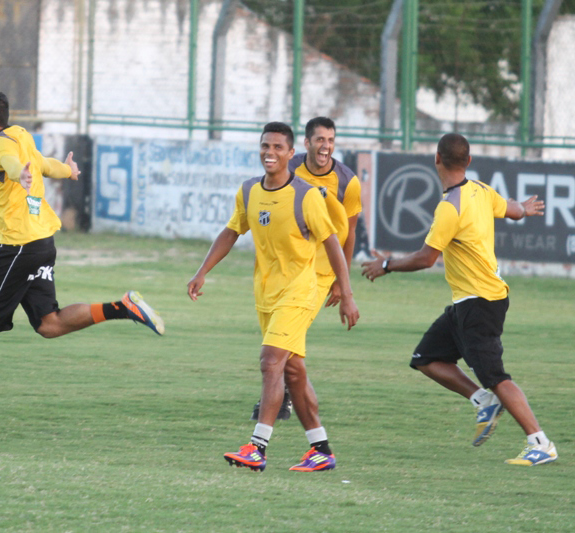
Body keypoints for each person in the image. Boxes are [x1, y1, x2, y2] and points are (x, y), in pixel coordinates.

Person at [0, 89, 164, 423]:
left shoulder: (1, 146)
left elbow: (11, 162)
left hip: (18, 247)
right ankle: (122, 307)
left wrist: (19, 172)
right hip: (41, 242)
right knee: (49, 324)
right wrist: (67, 171)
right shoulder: (20, 135)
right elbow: (43, 164)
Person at [361, 133, 556, 466]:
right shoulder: (480, 190)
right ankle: (483, 401)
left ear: (436, 158)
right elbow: (512, 210)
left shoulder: (449, 207)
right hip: (470, 303)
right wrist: (524, 207)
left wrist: (386, 265)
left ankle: (541, 443)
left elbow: (426, 258)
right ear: (468, 162)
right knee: (425, 358)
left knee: (496, 377)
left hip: (480, 303)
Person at [187, 121, 359, 472]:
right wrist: (202, 271)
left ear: (291, 154)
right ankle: (321, 450)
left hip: (300, 291)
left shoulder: (306, 195)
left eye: (278, 147)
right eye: (266, 146)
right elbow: (232, 229)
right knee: (293, 370)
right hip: (266, 293)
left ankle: (257, 446)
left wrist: (346, 292)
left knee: (270, 362)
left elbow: (333, 243)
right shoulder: (249, 191)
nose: (270, 152)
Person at [250, 116, 362, 421]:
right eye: (320, 140)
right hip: (293, 264)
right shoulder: (291, 167)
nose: (325, 146)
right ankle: (315, 437)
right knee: (290, 348)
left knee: (284, 341)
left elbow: (348, 234)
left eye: (330, 141)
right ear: (307, 143)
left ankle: (278, 403)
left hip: (322, 270)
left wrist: (342, 283)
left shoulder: (348, 181)